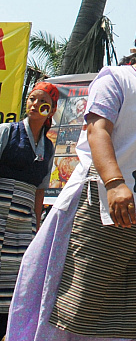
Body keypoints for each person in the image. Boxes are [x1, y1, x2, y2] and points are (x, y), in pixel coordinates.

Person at [8, 14, 136, 340]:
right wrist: (115, 183)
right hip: (100, 204)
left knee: (132, 306)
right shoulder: (115, 79)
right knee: (76, 297)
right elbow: (97, 130)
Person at [0, 82, 58, 336]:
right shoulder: (6, 132)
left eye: (42, 101)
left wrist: (36, 229)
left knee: (12, 281)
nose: (35, 104)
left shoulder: (48, 148)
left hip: (22, 222)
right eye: (32, 99)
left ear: (51, 109)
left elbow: (39, 192)